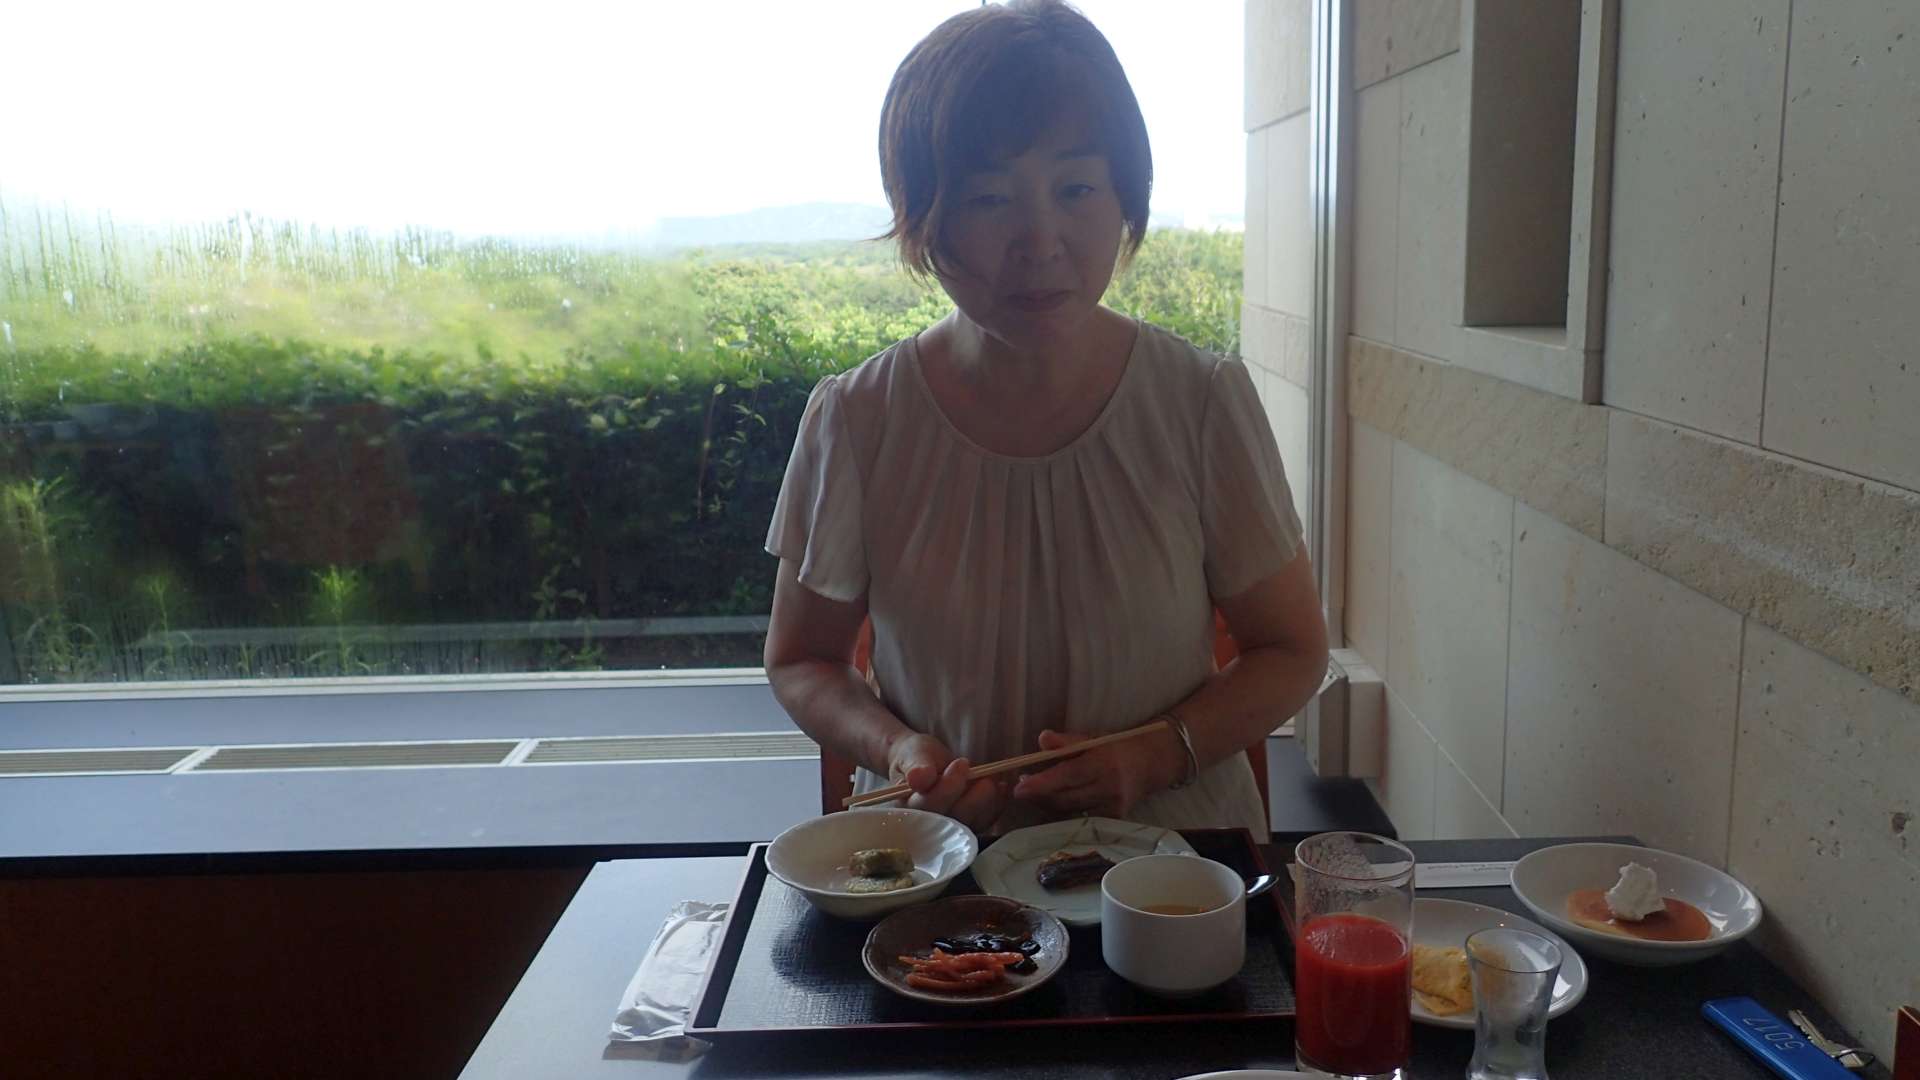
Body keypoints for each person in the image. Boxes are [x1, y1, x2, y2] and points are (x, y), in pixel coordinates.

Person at [762, 0, 1328, 840]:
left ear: (1124, 196)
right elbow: (803, 658)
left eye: (1077, 189)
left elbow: (1291, 650)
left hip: (1175, 873)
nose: (1040, 240)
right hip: (945, 864)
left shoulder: (1201, 401)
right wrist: (899, 749)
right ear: (923, 219)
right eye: (990, 198)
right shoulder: (858, 419)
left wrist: (1156, 756)